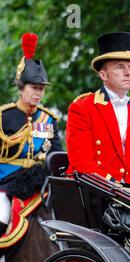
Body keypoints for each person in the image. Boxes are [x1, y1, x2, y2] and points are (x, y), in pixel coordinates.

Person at [66, 32, 130, 191]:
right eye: (120, 67)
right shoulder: (82, 108)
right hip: (94, 192)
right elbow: (82, 163)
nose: (128, 73)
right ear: (103, 74)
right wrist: (116, 188)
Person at [0, 32, 62, 242]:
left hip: (40, 184)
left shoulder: (49, 119)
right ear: (21, 88)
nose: (38, 93)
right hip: (6, 185)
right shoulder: (4, 117)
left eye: (41, 89)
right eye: (34, 88)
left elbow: (56, 155)